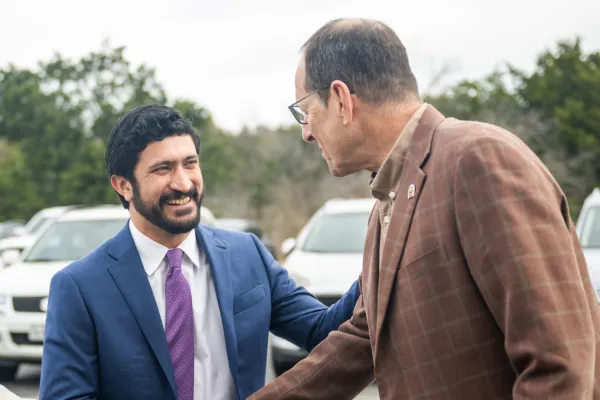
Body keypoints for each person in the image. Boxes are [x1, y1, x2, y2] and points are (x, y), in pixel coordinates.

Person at [248, 18, 600, 400]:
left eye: (306, 111)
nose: (306, 132)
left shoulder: (478, 159)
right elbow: (362, 338)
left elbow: (560, 366)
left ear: (342, 99)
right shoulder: (388, 199)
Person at [39, 104, 360, 400]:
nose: (183, 183)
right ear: (123, 185)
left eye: (189, 164)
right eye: (163, 169)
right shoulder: (79, 288)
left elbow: (324, 331)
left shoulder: (247, 254)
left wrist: (384, 250)